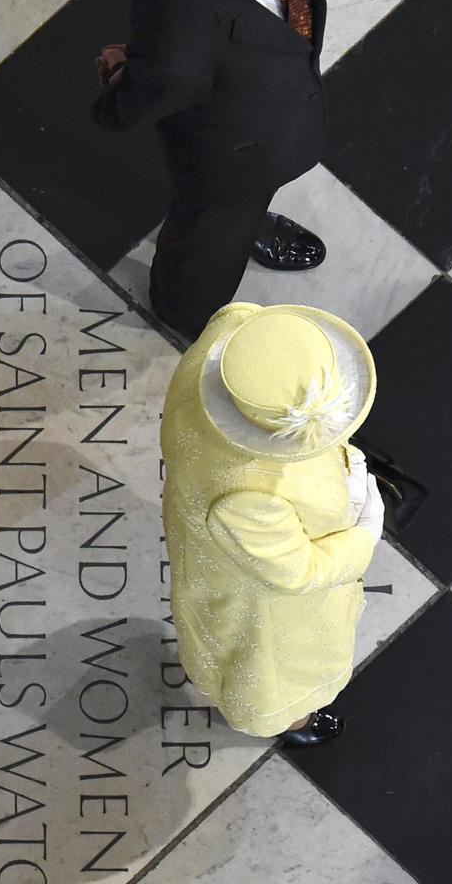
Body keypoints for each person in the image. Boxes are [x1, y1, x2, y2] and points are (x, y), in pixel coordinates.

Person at [95, 0, 330, 341]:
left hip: (257, 97)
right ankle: (181, 309)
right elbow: (138, 100)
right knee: (210, 231)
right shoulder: (185, 43)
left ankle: (249, 218)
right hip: (228, 151)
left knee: (238, 210)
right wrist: (121, 78)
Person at [162, 301, 383, 746]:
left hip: (207, 525)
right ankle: (288, 717)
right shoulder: (248, 493)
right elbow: (298, 571)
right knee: (269, 667)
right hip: (256, 593)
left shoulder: (233, 335)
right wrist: (363, 534)